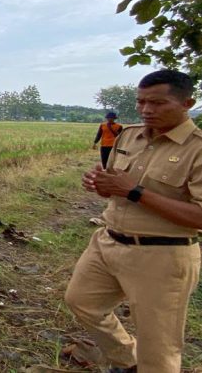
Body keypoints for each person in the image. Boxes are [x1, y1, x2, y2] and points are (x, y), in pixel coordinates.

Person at [66, 69, 202, 373]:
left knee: (159, 347)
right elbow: (115, 188)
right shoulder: (129, 136)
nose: (146, 110)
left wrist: (135, 192)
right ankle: (127, 360)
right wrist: (100, 183)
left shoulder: (197, 148)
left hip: (162, 255)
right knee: (81, 301)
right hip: (107, 241)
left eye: (157, 103)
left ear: (187, 103)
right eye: (140, 102)